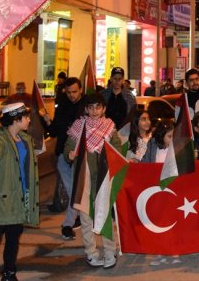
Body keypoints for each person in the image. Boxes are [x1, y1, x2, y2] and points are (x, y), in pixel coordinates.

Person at [0, 102, 39, 281]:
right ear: (16, 119)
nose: (28, 120)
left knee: (13, 238)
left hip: (20, 196)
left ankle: (9, 273)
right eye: (26, 117)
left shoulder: (25, 139)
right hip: (2, 198)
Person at [65, 92, 120, 269]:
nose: (94, 111)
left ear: (103, 108)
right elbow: (68, 147)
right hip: (84, 180)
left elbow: (118, 149)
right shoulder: (79, 126)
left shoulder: (110, 127)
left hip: (103, 179)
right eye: (91, 107)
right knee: (86, 219)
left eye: (98, 107)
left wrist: (113, 156)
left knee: (105, 217)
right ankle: (91, 252)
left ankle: (110, 252)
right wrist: (70, 154)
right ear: (86, 109)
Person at [48, 77, 85, 240]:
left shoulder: (87, 106)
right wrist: (46, 122)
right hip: (63, 153)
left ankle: (71, 223)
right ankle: (69, 224)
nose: (71, 95)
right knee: (72, 191)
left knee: (78, 191)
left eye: (74, 92)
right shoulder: (62, 104)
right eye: (68, 92)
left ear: (81, 90)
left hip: (83, 155)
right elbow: (55, 130)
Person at [141, 119, 180, 266]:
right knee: (158, 222)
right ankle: (159, 252)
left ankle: (173, 250)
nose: (172, 139)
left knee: (172, 221)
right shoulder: (152, 145)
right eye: (169, 136)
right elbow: (145, 163)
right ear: (161, 136)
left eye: (174, 136)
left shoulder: (177, 148)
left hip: (172, 190)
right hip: (156, 190)